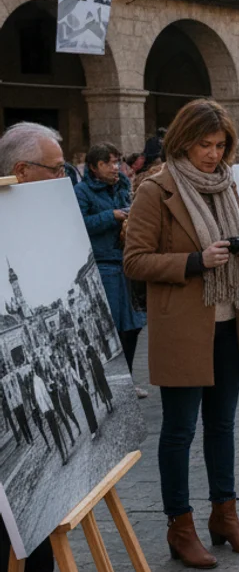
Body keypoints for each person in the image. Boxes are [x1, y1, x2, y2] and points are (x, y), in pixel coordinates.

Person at [124, 99, 239, 570]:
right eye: (204, 144)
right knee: (180, 430)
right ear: (184, 141)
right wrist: (193, 262)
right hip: (183, 327)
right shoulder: (156, 189)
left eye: (220, 145)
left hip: (228, 321)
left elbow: (236, 247)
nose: (212, 154)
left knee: (222, 426)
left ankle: (225, 516)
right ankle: (180, 528)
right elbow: (134, 261)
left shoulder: (227, 184)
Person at [0, 122, 98, 572]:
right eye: (57, 170)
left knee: (38, 512)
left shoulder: (34, 217)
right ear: (21, 171)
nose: (66, 179)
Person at [75, 142, 149, 398]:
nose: (114, 167)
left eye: (117, 162)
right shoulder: (82, 191)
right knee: (113, 327)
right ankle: (112, 385)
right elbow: (79, 223)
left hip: (127, 262)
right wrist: (112, 216)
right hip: (104, 265)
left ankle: (128, 381)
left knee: (134, 326)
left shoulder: (122, 186)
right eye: (107, 162)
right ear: (94, 167)